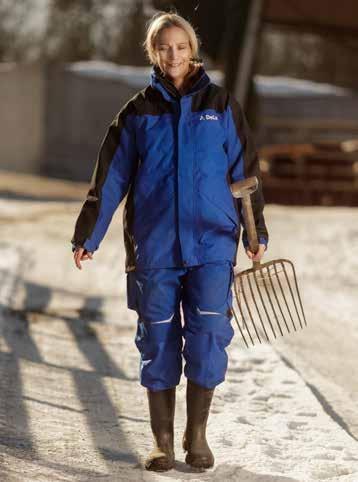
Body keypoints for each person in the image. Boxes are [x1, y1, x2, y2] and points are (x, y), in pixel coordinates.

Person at [71, 11, 268, 472]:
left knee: (208, 336)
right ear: (153, 53)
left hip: (214, 244)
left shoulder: (220, 105)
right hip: (154, 245)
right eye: (164, 47)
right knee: (157, 339)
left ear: (192, 49)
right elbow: (111, 178)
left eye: (181, 46)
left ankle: (196, 435)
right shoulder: (137, 113)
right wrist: (89, 235)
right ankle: (162, 441)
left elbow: (247, 175)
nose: (174, 54)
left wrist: (258, 232)